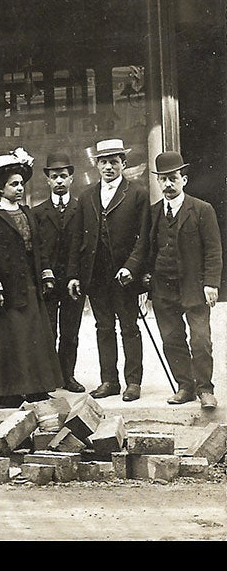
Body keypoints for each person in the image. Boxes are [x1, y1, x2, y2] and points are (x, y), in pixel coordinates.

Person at [0, 152, 63, 404]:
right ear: (0, 188)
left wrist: (46, 276)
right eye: (13, 184)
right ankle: (11, 391)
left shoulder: (28, 213)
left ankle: (37, 387)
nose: (19, 188)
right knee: (11, 340)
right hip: (7, 290)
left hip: (30, 286)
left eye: (21, 184)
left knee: (34, 338)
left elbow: (39, 247)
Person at [66, 138, 150, 401]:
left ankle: (133, 382)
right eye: (103, 162)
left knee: (129, 327)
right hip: (96, 275)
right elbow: (77, 239)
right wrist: (74, 274)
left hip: (124, 276)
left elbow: (144, 238)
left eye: (114, 161)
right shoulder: (87, 196)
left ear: (123, 164)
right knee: (103, 327)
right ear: (97, 165)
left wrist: (131, 268)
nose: (109, 167)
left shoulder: (137, 194)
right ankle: (109, 381)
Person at [141, 152, 222, 409]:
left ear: (184, 180)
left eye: (173, 178)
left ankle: (205, 389)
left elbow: (213, 250)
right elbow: (145, 249)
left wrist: (211, 283)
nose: (167, 184)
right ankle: (185, 386)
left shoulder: (202, 210)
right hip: (163, 289)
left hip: (194, 288)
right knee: (171, 340)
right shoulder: (153, 213)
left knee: (200, 340)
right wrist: (142, 281)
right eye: (163, 179)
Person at [32, 152, 86, 393]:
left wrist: (76, 274)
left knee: (70, 331)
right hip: (48, 281)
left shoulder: (82, 209)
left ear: (71, 178)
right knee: (48, 331)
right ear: (48, 181)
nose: (60, 181)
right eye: (55, 177)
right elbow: (35, 249)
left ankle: (68, 376)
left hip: (74, 280)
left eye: (64, 176)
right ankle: (50, 377)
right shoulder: (37, 212)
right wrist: (44, 275)